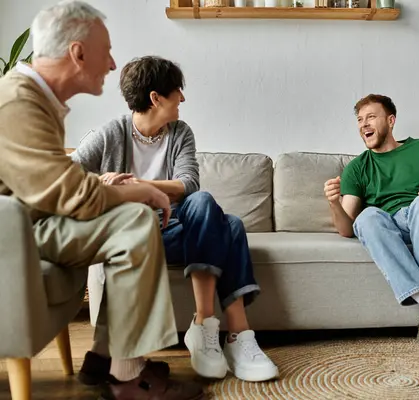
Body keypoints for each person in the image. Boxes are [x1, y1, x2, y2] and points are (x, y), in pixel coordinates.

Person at [0, 1, 205, 399]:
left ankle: (105, 355)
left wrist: (130, 191)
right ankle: (126, 376)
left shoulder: (35, 99)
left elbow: (56, 179)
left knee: (135, 218)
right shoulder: (19, 101)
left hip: (33, 220)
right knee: (133, 219)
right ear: (77, 53)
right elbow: (65, 191)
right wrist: (138, 190)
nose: (112, 65)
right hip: (16, 230)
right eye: (106, 51)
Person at [70, 55, 279, 382]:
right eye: (177, 90)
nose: (182, 97)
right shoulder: (111, 134)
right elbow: (66, 176)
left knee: (205, 202)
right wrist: (105, 180)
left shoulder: (180, 132)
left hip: (177, 229)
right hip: (140, 237)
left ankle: (213, 329)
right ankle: (233, 334)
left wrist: (140, 184)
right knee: (232, 226)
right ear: (156, 98)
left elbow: (189, 184)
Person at [323, 94, 419, 363]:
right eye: (359, 120)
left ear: (391, 121)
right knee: (367, 217)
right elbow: (348, 228)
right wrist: (334, 203)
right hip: (387, 226)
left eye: (371, 117)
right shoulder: (357, 168)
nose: (363, 124)